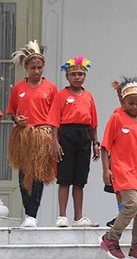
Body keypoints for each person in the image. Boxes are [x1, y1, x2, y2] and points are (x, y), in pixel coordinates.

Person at [99, 78, 137, 259]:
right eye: (130, 103)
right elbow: (105, 146)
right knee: (132, 205)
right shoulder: (116, 118)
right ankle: (111, 238)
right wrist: (106, 170)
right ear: (123, 102)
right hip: (123, 171)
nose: (134, 106)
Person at [7, 40, 57, 228]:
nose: (36, 71)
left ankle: (32, 215)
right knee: (23, 176)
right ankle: (28, 212)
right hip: (22, 135)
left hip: (42, 135)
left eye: (39, 67)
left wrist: (54, 140)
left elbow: (55, 116)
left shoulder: (50, 88)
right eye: (33, 68)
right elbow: (12, 111)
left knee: (37, 175)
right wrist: (16, 119)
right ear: (26, 67)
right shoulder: (19, 87)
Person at [49, 56, 99, 227]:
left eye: (80, 74)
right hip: (66, 135)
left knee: (80, 179)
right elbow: (54, 120)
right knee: (64, 178)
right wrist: (55, 142)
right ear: (67, 77)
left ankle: (78, 217)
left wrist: (95, 143)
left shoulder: (88, 96)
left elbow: (93, 123)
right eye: (73, 74)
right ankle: (62, 216)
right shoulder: (61, 95)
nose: (77, 77)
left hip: (84, 136)